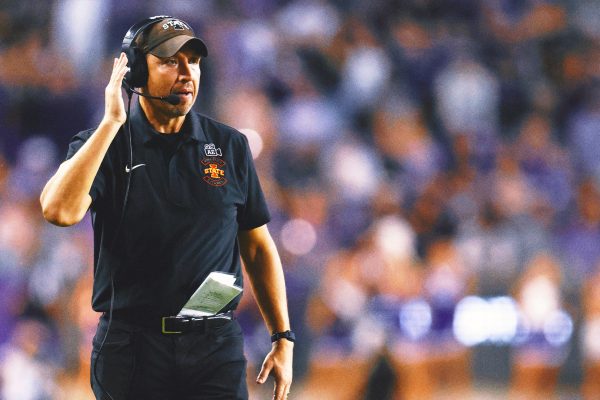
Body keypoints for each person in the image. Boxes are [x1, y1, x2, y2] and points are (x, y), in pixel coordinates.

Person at [40, 16, 293, 400]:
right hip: (132, 348)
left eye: (194, 61)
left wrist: (282, 337)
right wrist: (110, 124)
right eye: (171, 61)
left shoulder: (229, 146)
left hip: (214, 345)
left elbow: (257, 247)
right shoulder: (104, 145)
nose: (187, 73)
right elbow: (59, 211)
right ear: (137, 72)